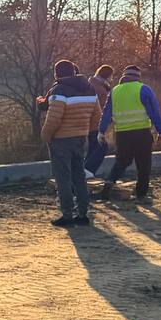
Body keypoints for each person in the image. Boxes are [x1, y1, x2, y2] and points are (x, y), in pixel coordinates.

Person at [40, 59, 101, 228]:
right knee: (79, 177)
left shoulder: (59, 90)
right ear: (73, 71)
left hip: (61, 140)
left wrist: (46, 136)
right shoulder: (90, 89)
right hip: (81, 138)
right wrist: (83, 128)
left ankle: (67, 215)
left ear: (56, 73)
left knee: (63, 179)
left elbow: (54, 118)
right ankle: (83, 214)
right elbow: (97, 115)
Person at [99, 64, 161, 203]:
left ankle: (108, 185)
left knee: (122, 161)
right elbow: (154, 112)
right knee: (144, 164)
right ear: (138, 77)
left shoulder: (115, 91)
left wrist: (101, 130)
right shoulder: (144, 89)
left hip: (122, 134)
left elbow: (106, 113)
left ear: (124, 76)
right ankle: (141, 194)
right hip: (141, 133)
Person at [85, 65, 114, 178]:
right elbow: (103, 108)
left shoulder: (93, 84)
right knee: (102, 147)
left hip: (90, 123)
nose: (112, 79)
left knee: (93, 149)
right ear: (108, 76)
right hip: (96, 124)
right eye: (111, 76)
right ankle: (87, 171)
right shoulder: (100, 88)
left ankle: (84, 171)